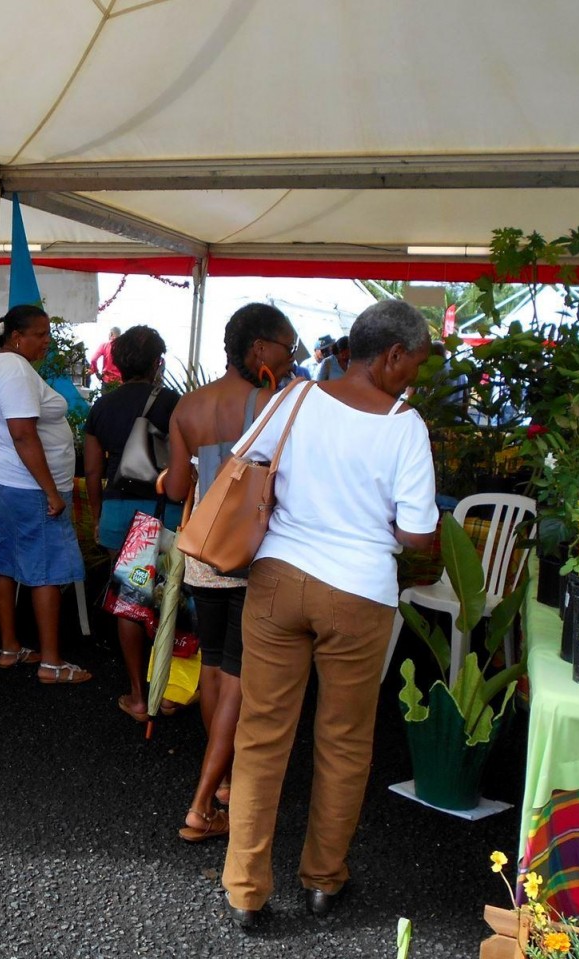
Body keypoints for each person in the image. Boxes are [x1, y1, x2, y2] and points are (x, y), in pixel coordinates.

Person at [221, 300, 438, 929]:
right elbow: (417, 534)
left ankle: (245, 890)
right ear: (392, 355)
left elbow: (245, 461)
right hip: (359, 594)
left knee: (261, 734)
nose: (415, 377)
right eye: (415, 363)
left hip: (277, 578)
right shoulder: (404, 426)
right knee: (344, 739)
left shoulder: (294, 398)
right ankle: (322, 880)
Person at [162, 303, 293, 842]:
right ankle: (213, 791)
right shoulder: (272, 404)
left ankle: (223, 778)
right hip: (252, 554)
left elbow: (175, 489)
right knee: (240, 674)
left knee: (214, 665)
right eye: (287, 347)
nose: (292, 358)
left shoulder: (187, 406)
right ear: (259, 348)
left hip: (202, 550)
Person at [0, 304, 90, 684]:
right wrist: (50, 491)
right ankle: (51, 664)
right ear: (16, 337)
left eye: (48, 334)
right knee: (46, 569)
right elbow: (23, 434)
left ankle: (10, 647)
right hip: (27, 485)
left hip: (0, 479)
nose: (47, 341)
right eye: (40, 335)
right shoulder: (15, 371)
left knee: (4, 560)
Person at [83, 325, 182, 721]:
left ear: (118, 364)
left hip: (119, 512)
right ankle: (168, 691)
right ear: (158, 362)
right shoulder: (176, 403)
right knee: (170, 597)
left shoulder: (102, 407)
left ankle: (139, 696)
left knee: (130, 600)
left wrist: (97, 515)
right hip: (164, 510)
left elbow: (93, 471)